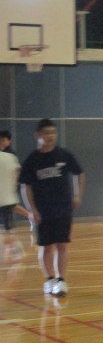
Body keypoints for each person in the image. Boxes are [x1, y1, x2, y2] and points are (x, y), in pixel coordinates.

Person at [19, 119, 85, 296]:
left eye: (53, 132)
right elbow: (26, 186)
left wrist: (78, 195)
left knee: (62, 245)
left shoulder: (64, 155)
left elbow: (79, 173)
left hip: (63, 208)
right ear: (38, 135)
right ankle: (49, 279)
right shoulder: (32, 160)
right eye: (46, 133)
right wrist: (32, 209)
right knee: (46, 247)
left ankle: (61, 281)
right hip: (43, 211)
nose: (50, 136)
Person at [0, 130, 31, 222]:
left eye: (3, 140)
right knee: (10, 207)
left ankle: (31, 217)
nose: (1, 142)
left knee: (11, 206)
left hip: (10, 184)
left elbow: (17, 170)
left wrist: (14, 184)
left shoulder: (10, 153)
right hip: (5, 185)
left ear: (9, 141)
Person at [0, 148, 23, 262]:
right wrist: (12, 186)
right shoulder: (10, 157)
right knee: (8, 228)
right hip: (8, 199)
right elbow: (17, 172)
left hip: (4, 199)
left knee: (7, 229)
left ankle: (16, 250)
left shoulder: (8, 157)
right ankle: (15, 250)